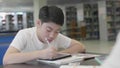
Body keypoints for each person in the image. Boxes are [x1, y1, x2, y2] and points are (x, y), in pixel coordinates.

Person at [3, 6, 85, 65]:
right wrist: (40, 54)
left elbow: (80, 46)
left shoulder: (57, 36)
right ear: (38, 23)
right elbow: (6, 59)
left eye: (57, 31)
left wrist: (60, 54)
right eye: (48, 30)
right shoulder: (24, 34)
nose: (52, 36)